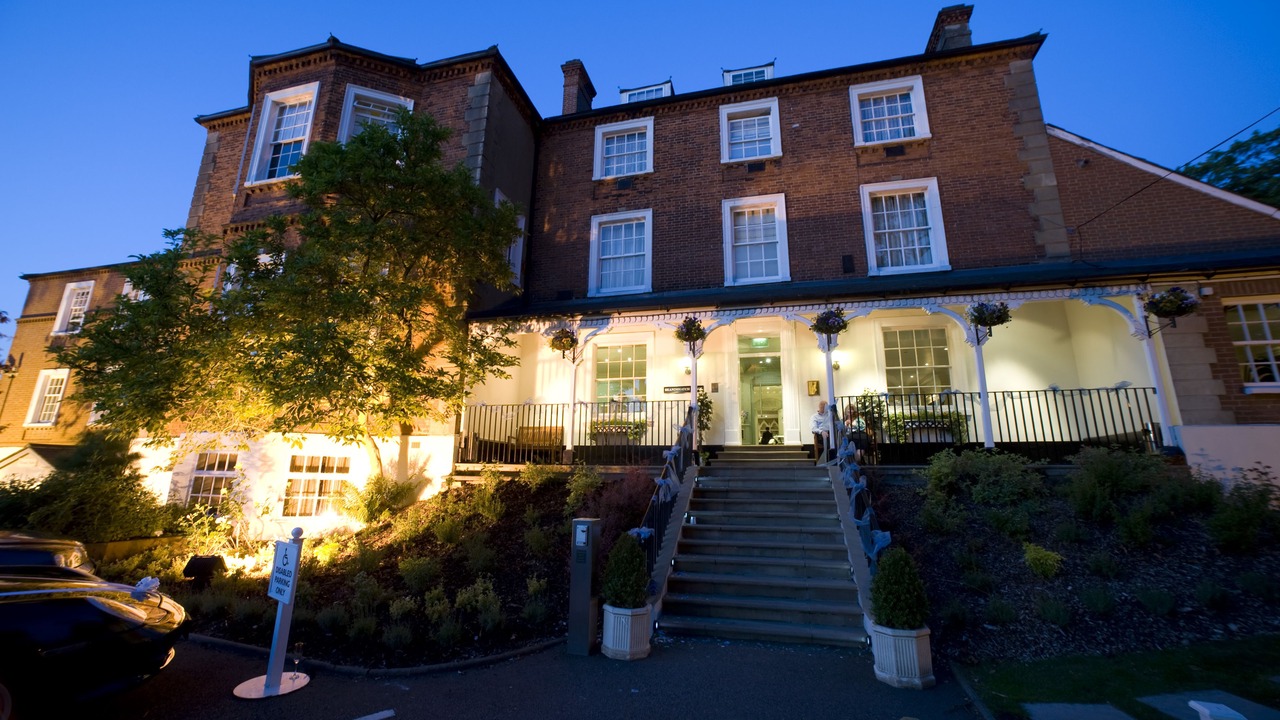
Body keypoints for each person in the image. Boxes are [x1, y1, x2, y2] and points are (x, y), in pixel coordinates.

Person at [809, 399, 830, 463]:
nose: (823, 407)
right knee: (827, 438)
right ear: (819, 407)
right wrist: (821, 432)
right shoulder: (814, 417)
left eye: (825, 406)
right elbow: (813, 428)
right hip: (820, 434)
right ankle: (827, 460)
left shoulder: (830, 415)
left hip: (830, 433)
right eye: (822, 406)